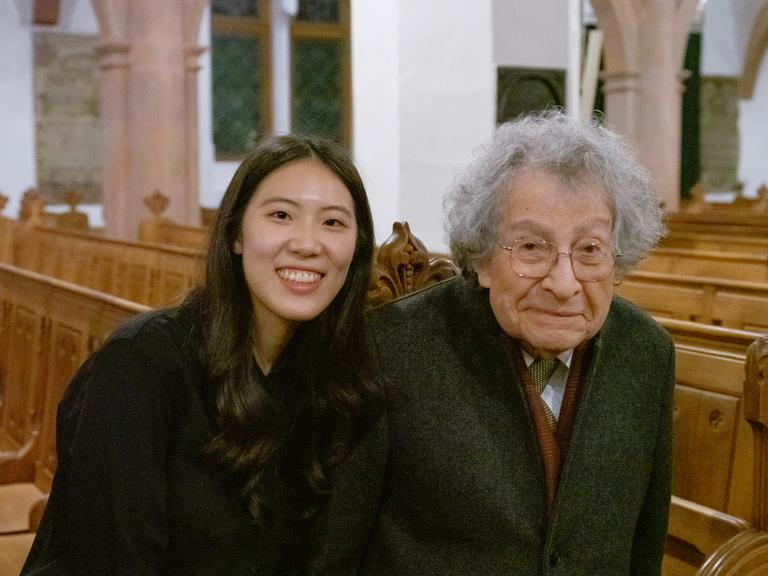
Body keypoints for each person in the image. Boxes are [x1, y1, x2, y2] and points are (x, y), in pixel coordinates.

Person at [309, 110, 674, 575]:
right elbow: (334, 554)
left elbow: (644, 548)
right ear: (481, 256)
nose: (564, 283)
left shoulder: (647, 354)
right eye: (531, 247)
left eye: (589, 250)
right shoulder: (390, 351)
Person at [21, 134, 379, 576]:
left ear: (356, 249)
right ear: (235, 236)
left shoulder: (338, 381)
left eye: (333, 223)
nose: (307, 243)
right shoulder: (141, 364)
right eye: (281, 215)